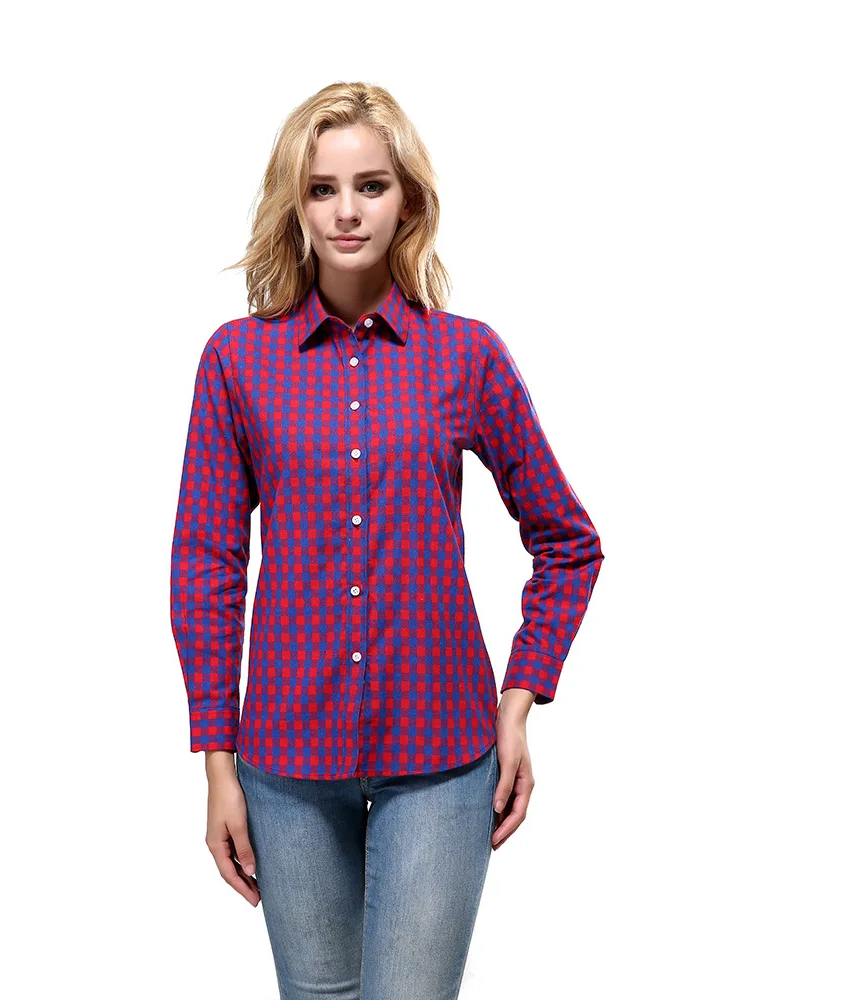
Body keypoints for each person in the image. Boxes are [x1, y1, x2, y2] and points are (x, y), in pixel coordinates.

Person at [169, 81, 604, 1000]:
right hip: (285, 760)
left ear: (407, 200)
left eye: (370, 185)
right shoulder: (236, 361)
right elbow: (207, 566)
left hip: (443, 754)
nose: (347, 211)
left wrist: (520, 700)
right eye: (322, 188)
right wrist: (216, 760)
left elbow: (567, 540)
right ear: (295, 204)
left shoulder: (467, 355)